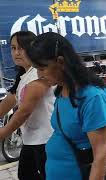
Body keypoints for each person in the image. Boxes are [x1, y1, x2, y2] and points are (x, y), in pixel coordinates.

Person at [27, 32, 106, 180]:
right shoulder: (62, 90)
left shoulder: (92, 97)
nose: (39, 74)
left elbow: (101, 153)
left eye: (42, 68)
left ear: (60, 62)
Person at [0, 31, 55, 180]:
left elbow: (24, 111)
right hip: (31, 139)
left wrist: (3, 133)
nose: (16, 52)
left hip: (46, 139)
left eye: (21, 48)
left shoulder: (39, 73)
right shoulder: (23, 75)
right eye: (13, 48)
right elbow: (10, 100)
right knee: (25, 175)